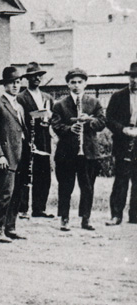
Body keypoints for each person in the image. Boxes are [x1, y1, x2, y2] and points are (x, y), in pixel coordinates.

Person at [51, 67, 106, 231]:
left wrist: (89, 121)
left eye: (79, 82)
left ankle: (85, 218)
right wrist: (70, 129)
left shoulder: (94, 103)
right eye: (73, 82)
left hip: (88, 152)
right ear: (68, 84)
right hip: (66, 153)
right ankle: (64, 218)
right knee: (65, 186)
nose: (76, 85)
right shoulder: (60, 104)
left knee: (88, 187)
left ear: (85, 84)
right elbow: (56, 125)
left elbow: (102, 122)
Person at [0, 66, 28, 243]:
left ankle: (10, 228)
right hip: (4, 158)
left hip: (19, 157)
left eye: (18, 82)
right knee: (4, 194)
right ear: (5, 85)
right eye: (12, 83)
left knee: (17, 193)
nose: (16, 86)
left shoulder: (19, 106)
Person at [15, 62, 55, 218]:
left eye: (39, 76)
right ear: (27, 79)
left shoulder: (48, 97)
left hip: (44, 139)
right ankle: (22, 208)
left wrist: (51, 117)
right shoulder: (21, 98)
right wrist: (39, 115)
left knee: (44, 174)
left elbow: (53, 118)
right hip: (27, 139)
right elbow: (21, 118)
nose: (37, 78)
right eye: (33, 76)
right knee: (26, 173)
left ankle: (39, 209)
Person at [105, 61, 137, 225]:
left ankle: (135, 218)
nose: (135, 80)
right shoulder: (118, 96)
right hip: (123, 142)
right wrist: (123, 129)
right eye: (133, 76)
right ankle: (116, 215)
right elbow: (109, 119)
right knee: (121, 179)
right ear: (128, 77)